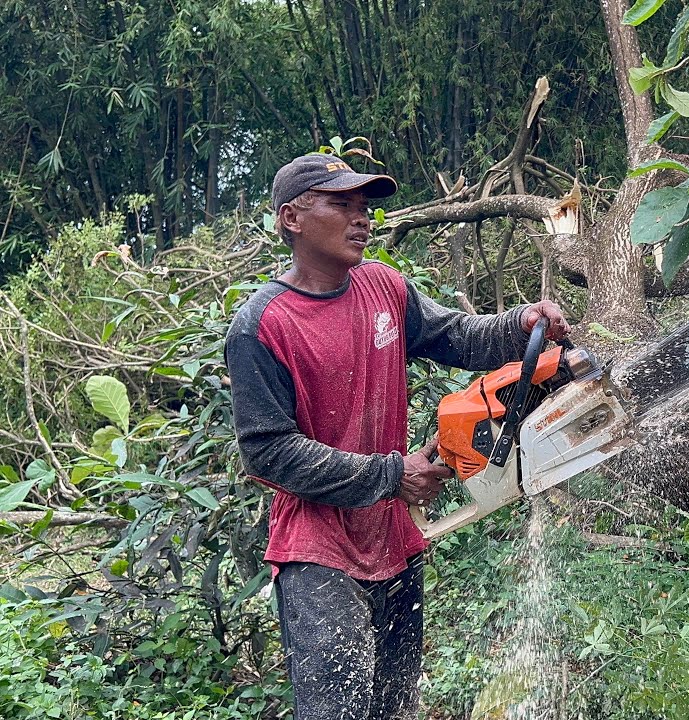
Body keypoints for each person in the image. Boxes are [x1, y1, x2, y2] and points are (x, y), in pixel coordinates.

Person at [224, 153, 570, 720]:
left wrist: (519, 325)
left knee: (396, 706)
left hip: (393, 539)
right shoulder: (263, 325)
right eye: (341, 204)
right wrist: (391, 473)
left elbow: (455, 335)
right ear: (292, 218)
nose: (361, 218)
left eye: (364, 206)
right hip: (318, 550)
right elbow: (267, 452)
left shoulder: (383, 286)